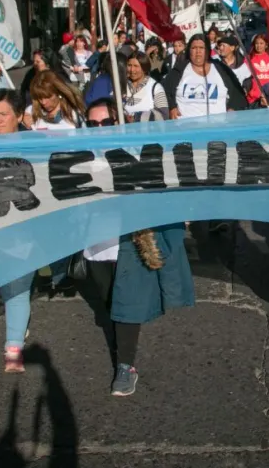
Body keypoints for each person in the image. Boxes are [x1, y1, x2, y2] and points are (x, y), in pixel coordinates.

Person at [81, 97, 195, 396]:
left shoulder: (135, 152)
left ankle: (125, 365)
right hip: (96, 245)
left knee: (126, 304)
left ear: (118, 121)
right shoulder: (78, 158)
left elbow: (164, 181)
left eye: (106, 122)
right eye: (93, 124)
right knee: (109, 303)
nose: (100, 128)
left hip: (129, 240)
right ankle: (122, 342)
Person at [0, 89, 39, 372]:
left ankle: (13, 348)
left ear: (19, 116)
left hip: (24, 229)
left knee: (16, 289)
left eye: (4, 114)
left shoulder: (34, 144)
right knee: (5, 286)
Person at [163, 33, 248, 119]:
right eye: (194, 48)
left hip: (218, 127)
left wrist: (232, 108)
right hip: (185, 127)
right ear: (189, 50)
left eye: (201, 48)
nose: (198, 51)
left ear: (207, 50)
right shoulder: (179, 70)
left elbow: (238, 94)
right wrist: (172, 107)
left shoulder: (222, 69)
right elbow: (164, 92)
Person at [124, 51, 169, 121]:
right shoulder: (122, 86)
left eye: (136, 66)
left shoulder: (155, 87)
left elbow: (163, 115)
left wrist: (136, 118)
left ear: (144, 68)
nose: (132, 70)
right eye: (129, 65)